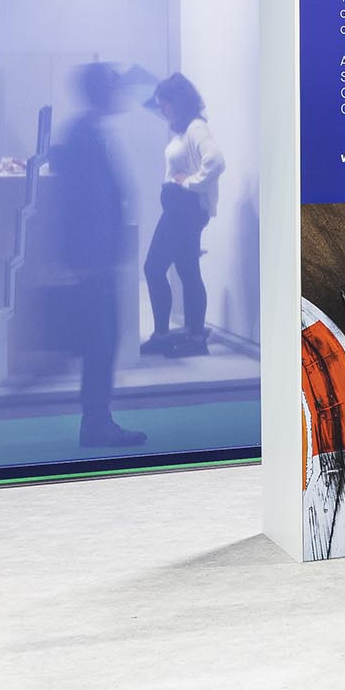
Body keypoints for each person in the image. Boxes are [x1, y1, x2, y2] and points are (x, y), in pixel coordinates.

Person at [51, 63, 146, 447]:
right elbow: (79, 204)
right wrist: (86, 260)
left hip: (98, 259)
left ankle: (97, 420)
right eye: (112, 86)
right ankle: (96, 423)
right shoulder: (82, 137)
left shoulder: (89, 133)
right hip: (92, 261)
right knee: (99, 342)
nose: (117, 93)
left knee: (103, 341)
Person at [143, 72, 225, 357]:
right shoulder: (183, 130)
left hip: (185, 210)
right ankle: (182, 336)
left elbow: (216, 161)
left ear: (177, 101)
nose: (161, 109)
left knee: (161, 268)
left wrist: (190, 183)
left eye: (164, 103)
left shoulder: (195, 128)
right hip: (179, 209)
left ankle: (185, 337)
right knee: (182, 270)